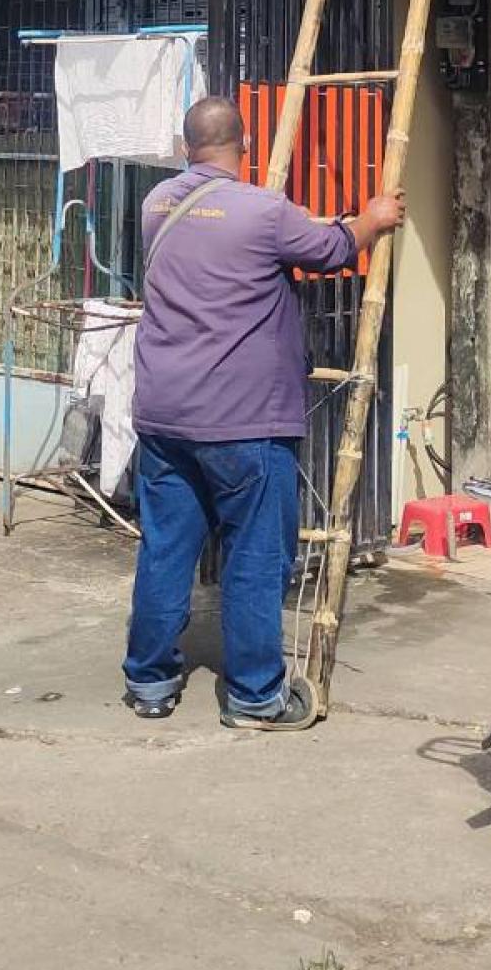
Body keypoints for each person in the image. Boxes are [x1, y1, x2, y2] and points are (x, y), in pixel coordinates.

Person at [124, 94, 404, 729]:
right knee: (254, 557)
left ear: (185, 146)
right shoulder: (264, 211)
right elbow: (332, 250)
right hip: (243, 419)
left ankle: (149, 681)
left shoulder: (156, 203)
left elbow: (241, 243)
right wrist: (373, 217)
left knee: (166, 551)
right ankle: (255, 696)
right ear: (245, 145)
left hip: (164, 414)